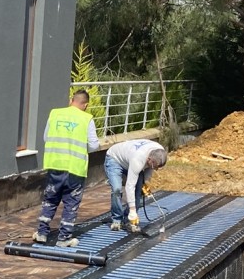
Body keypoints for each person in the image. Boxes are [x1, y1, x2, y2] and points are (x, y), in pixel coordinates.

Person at [32, 90, 100, 248]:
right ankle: (64, 238)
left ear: (71, 100)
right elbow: (94, 145)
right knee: (71, 203)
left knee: (50, 199)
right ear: (85, 105)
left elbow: (46, 137)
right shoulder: (86, 119)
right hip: (75, 168)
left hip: (55, 164)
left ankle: (42, 233)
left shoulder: (55, 114)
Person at [103, 138, 168, 231]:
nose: (156, 169)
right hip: (115, 159)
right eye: (155, 167)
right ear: (149, 159)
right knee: (117, 189)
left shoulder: (159, 151)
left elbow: (150, 168)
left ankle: (128, 220)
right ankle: (117, 219)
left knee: (139, 191)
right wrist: (133, 210)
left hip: (129, 158)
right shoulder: (138, 159)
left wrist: (146, 182)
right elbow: (130, 186)